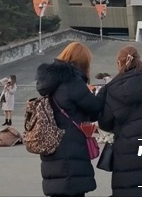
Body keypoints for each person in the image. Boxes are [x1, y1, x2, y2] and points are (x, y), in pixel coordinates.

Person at [98, 45, 142, 196]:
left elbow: (105, 122)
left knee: (130, 189)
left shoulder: (112, 89)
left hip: (126, 149)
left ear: (119, 63)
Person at [36, 42, 102, 197]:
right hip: (72, 147)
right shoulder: (73, 82)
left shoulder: (48, 82)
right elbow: (94, 109)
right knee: (72, 190)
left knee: (58, 190)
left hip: (52, 145)